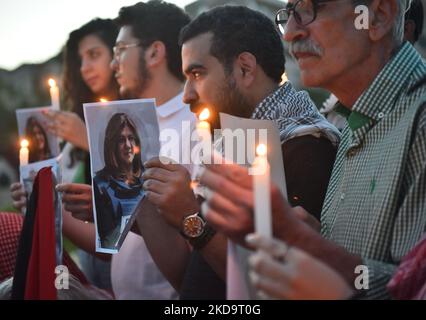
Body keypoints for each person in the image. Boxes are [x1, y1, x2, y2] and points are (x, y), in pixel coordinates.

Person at [199, 0, 426, 299]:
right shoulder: (356, 119)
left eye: (310, 8)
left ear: (377, 17)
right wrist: (306, 240)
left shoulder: (419, 121)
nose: (290, 33)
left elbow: (409, 289)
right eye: (289, 14)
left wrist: (300, 239)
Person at [135, 5, 340, 299]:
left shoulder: (307, 147)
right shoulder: (235, 142)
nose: (187, 95)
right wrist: (144, 206)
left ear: (245, 68)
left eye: (197, 73)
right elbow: (195, 283)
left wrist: (190, 216)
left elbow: (265, 292)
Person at [59, 0, 194, 299]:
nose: (111, 63)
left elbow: (197, 239)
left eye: (120, 51)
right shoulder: (126, 129)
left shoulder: (194, 125)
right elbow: (116, 247)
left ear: (155, 52)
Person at [10, 18, 120, 290]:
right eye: (80, 59)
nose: (85, 68)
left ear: (117, 54)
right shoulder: (74, 125)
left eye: (94, 55)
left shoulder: (129, 119)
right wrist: (37, 196)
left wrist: (88, 138)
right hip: (93, 264)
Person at [93, 113, 144, 250]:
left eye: (131, 138)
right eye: (121, 140)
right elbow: (108, 244)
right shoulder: (101, 185)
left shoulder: (150, 177)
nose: (128, 145)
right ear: (112, 145)